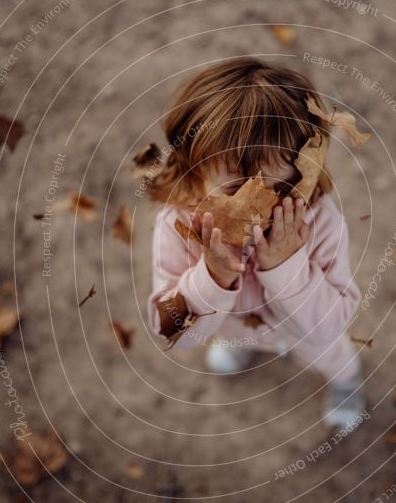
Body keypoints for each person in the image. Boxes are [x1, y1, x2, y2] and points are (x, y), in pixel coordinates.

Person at [146, 58, 364, 428]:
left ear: (309, 172)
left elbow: (330, 325)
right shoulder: (177, 227)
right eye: (233, 190)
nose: (260, 207)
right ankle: (242, 348)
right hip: (229, 327)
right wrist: (212, 277)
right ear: (193, 175)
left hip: (307, 336)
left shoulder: (321, 225)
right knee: (233, 339)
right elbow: (175, 334)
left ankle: (347, 383)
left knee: (333, 356)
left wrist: (287, 266)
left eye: (281, 188)